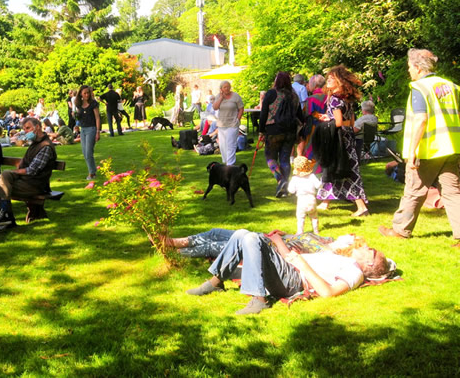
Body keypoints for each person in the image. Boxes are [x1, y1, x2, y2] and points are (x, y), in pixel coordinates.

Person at [177, 228, 389, 314]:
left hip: (294, 280)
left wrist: (302, 265)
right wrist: (278, 241)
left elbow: (328, 293)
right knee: (242, 233)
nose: (365, 247)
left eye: (370, 251)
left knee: (251, 238)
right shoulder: (344, 259)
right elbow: (291, 258)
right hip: (288, 267)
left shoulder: (355, 272)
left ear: (369, 264)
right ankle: (215, 282)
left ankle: (259, 299)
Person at [380, 49, 460, 244]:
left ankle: (400, 230)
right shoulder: (452, 86)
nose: (409, 71)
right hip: (451, 147)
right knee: (452, 193)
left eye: (409, 67)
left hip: (428, 150)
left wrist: (413, 151)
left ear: (417, 67)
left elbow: (421, 120)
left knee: (414, 190)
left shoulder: (420, 88)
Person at [312, 66, 370, 217]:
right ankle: (325, 201)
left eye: (332, 79)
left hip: (338, 141)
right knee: (336, 169)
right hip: (348, 138)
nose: (328, 81)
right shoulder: (347, 100)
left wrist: (327, 121)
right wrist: (329, 118)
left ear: (340, 82)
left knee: (342, 170)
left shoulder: (335, 100)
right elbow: (350, 122)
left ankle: (361, 207)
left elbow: (338, 122)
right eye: (328, 78)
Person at [0, 117, 57, 229]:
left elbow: (32, 170)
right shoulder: (35, 143)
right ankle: (6, 217)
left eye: (28, 128)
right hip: (25, 181)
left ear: (38, 127)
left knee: (0, 184)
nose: (26, 131)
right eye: (24, 129)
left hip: (35, 184)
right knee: (2, 182)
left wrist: (13, 172)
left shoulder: (46, 146)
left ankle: (7, 219)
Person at [259, 71, 304, 196]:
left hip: (273, 130)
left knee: (270, 157)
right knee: (285, 159)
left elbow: (263, 114)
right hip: (290, 131)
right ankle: (284, 189)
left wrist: (261, 130)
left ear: (276, 81)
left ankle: (281, 180)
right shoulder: (294, 96)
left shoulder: (271, 93)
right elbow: (300, 115)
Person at [213, 80, 244, 166]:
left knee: (231, 144)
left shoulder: (235, 96)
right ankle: (226, 161)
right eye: (224, 87)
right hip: (222, 124)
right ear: (221, 89)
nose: (227, 89)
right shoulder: (218, 96)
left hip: (233, 124)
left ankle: (230, 164)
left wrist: (238, 119)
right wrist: (221, 98)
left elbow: (241, 108)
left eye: (228, 87)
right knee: (223, 145)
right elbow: (215, 107)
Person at [289, 157, 321, 234]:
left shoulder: (295, 179)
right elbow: (318, 185)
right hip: (311, 199)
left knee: (300, 217)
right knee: (314, 216)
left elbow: (291, 190)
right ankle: (316, 231)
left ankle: (300, 231)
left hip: (301, 200)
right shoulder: (312, 176)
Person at [75, 85, 101, 181]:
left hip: (92, 129)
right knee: (85, 153)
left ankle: (92, 173)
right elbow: (79, 117)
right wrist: (76, 123)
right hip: (83, 130)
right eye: (84, 93)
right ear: (81, 94)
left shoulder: (93, 104)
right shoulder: (79, 104)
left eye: (88, 92)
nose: (87, 95)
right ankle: (92, 171)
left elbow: (97, 118)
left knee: (89, 152)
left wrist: (98, 131)